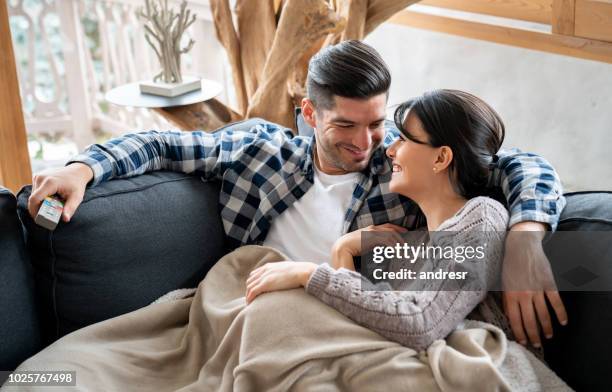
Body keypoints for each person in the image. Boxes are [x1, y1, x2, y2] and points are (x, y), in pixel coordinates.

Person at [28, 40, 567, 349]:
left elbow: (516, 165)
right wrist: (83, 168)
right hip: (263, 316)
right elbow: (165, 142)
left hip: (351, 327)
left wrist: (525, 238)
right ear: (310, 113)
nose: (366, 143)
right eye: (345, 126)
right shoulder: (259, 150)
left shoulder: (406, 168)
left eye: (377, 123)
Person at [245, 89, 511, 349]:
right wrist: (343, 250)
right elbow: (361, 331)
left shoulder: (482, 217)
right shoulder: (405, 245)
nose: (390, 150)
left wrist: (309, 273)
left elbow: (421, 323)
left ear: (441, 158)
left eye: (404, 140)